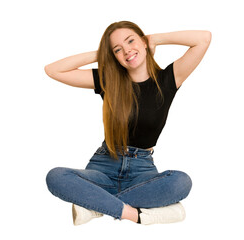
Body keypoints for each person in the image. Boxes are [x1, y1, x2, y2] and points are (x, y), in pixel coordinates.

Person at [44, 21, 211, 225]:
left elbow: (203, 39)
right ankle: (137, 214)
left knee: (181, 182)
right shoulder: (108, 80)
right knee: (56, 177)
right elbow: (53, 70)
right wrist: (102, 55)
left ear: (142, 41)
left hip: (142, 171)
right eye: (117, 50)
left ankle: (95, 205)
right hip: (104, 165)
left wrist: (156, 39)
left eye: (131, 41)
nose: (127, 51)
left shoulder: (169, 79)